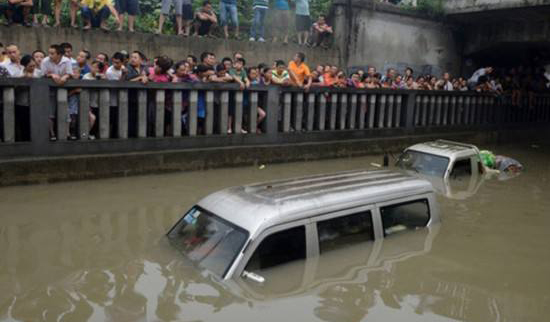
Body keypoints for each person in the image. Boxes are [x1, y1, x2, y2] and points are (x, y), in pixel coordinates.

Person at [41, 44, 74, 140]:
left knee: (65, 111)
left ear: (59, 55)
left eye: (52, 53)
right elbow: (42, 75)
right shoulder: (45, 61)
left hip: (63, 89)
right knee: (50, 112)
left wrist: (65, 76)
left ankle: (67, 133)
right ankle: (52, 134)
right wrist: (51, 75)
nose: (50, 55)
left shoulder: (67, 61)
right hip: (49, 90)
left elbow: (70, 73)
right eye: (49, 53)